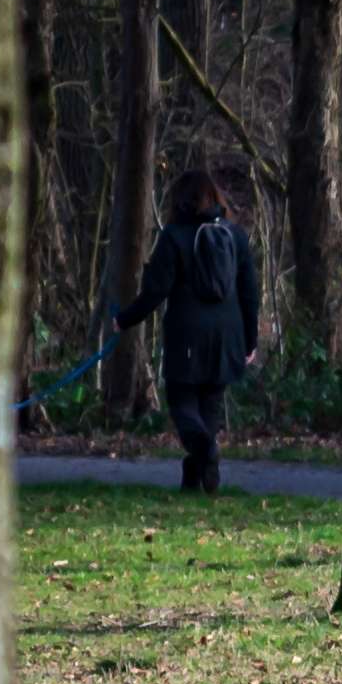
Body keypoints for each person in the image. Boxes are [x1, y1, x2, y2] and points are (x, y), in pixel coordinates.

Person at [117, 169, 258, 493]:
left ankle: (205, 452)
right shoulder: (236, 237)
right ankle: (197, 479)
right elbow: (250, 292)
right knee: (209, 404)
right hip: (228, 334)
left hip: (187, 334)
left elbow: (156, 290)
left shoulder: (174, 236)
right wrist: (249, 340)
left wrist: (125, 320)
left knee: (182, 402)